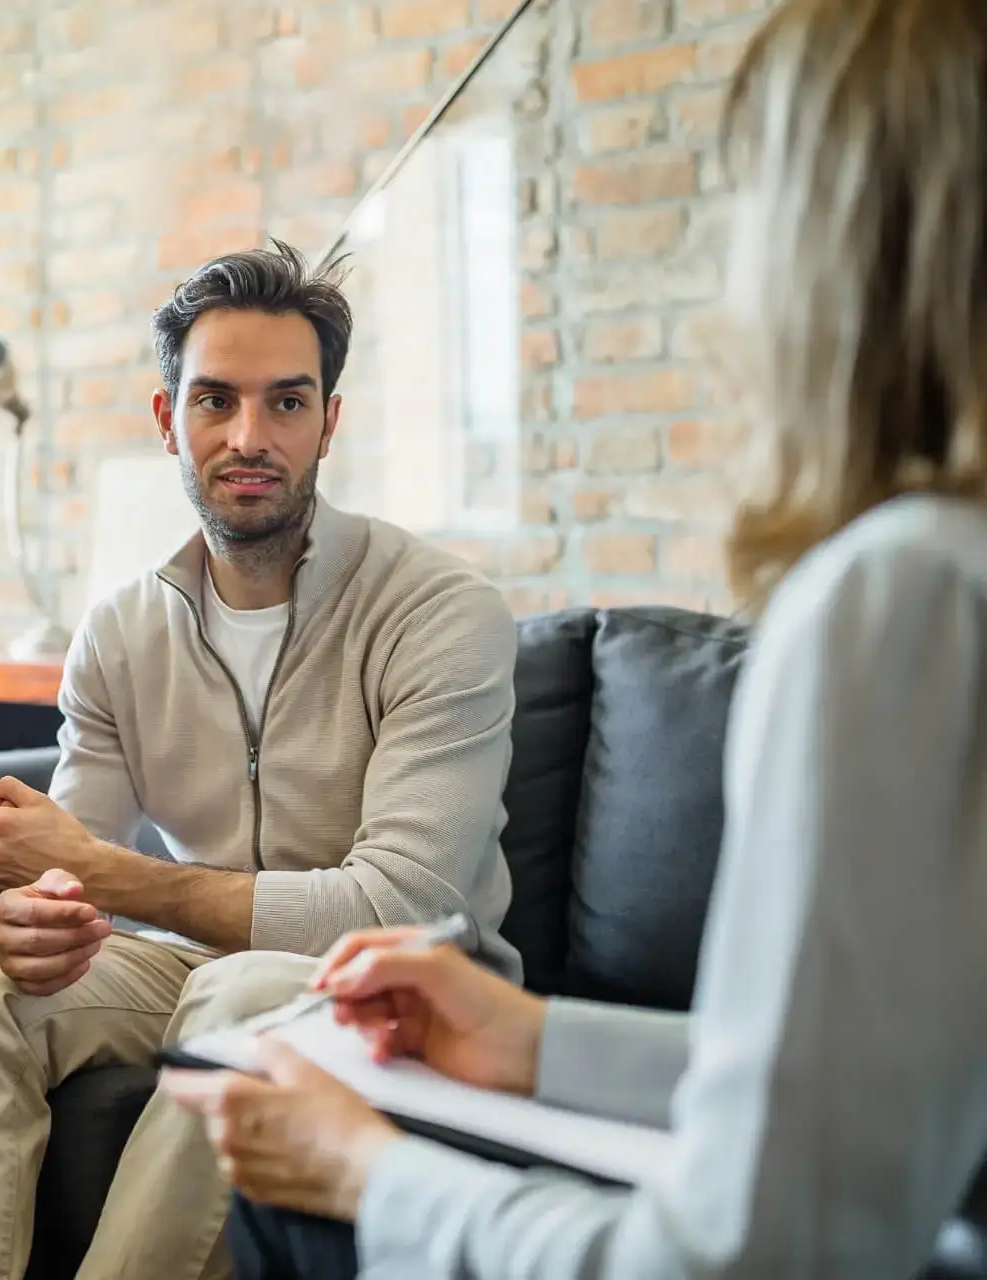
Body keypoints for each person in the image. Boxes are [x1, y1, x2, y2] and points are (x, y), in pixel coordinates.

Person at [162, 1, 987, 1274]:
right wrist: (541, 1039)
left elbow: (769, 1248)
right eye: (215, 402)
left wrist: (371, 1174)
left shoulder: (905, 595)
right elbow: (885, 1104)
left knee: (300, 1190)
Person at [0, 241, 526, 1280]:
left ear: (330, 420)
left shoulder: (438, 614)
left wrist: (106, 876)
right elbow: (74, 861)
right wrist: (42, 912)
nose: (249, 437)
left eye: (286, 402)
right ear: (166, 418)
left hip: (396, 988)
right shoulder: (119, 629)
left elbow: (394, 906)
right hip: (195, 960)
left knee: (244, 1004)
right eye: (215, 399)